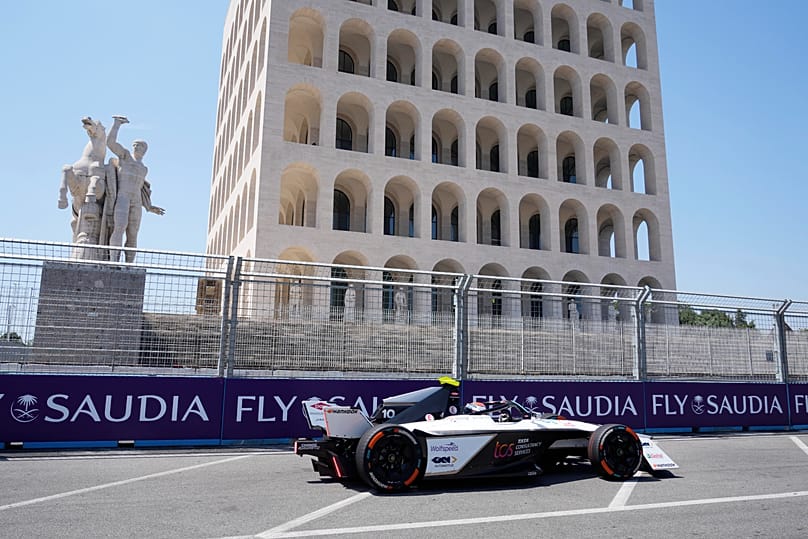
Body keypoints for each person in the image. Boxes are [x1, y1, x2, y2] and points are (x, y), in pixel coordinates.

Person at [106, 116, 165, 262]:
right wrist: (116, 124)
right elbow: (110, 143)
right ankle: (113, 262)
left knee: (133, 234)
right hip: (123, 197)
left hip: (136, 201)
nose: (137, 147)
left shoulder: (144, 169)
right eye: (135, 145)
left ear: (145, 150)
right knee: (120, 227)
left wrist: (150, 207)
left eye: (140, 145)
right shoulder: (125, 156)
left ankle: (129, 265)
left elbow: (142, 189)